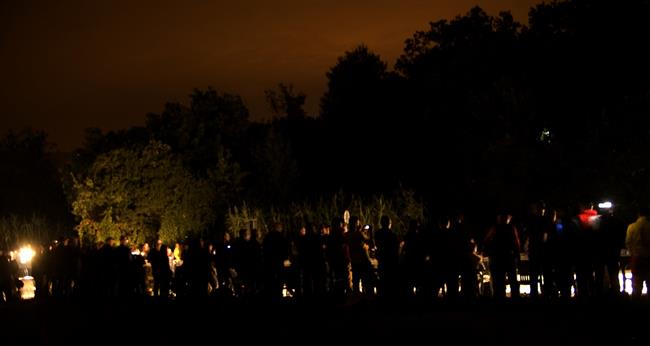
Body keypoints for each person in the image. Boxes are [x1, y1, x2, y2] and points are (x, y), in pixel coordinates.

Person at [625, 207, 650, 299]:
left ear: (638, 214)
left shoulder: (631, 227)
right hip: (648, 257)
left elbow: (628, 242)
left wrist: (632, 252)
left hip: (637, 258)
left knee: (636, 283)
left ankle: (636, 304)